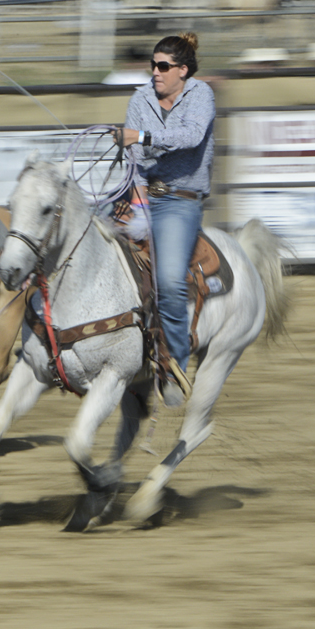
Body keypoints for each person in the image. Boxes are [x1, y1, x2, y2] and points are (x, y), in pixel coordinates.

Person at [117, 32, 215, 379]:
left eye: (163, 66)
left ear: (183, 70)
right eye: (152, 65)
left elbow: (191, 137)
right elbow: (135, 158)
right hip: (142, 194)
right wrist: (140, 203)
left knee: (170, 282)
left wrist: (143, 137)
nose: (155, 72)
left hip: (180, 199)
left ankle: (174, 365)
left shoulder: (201, 95)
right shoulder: (140, 99)